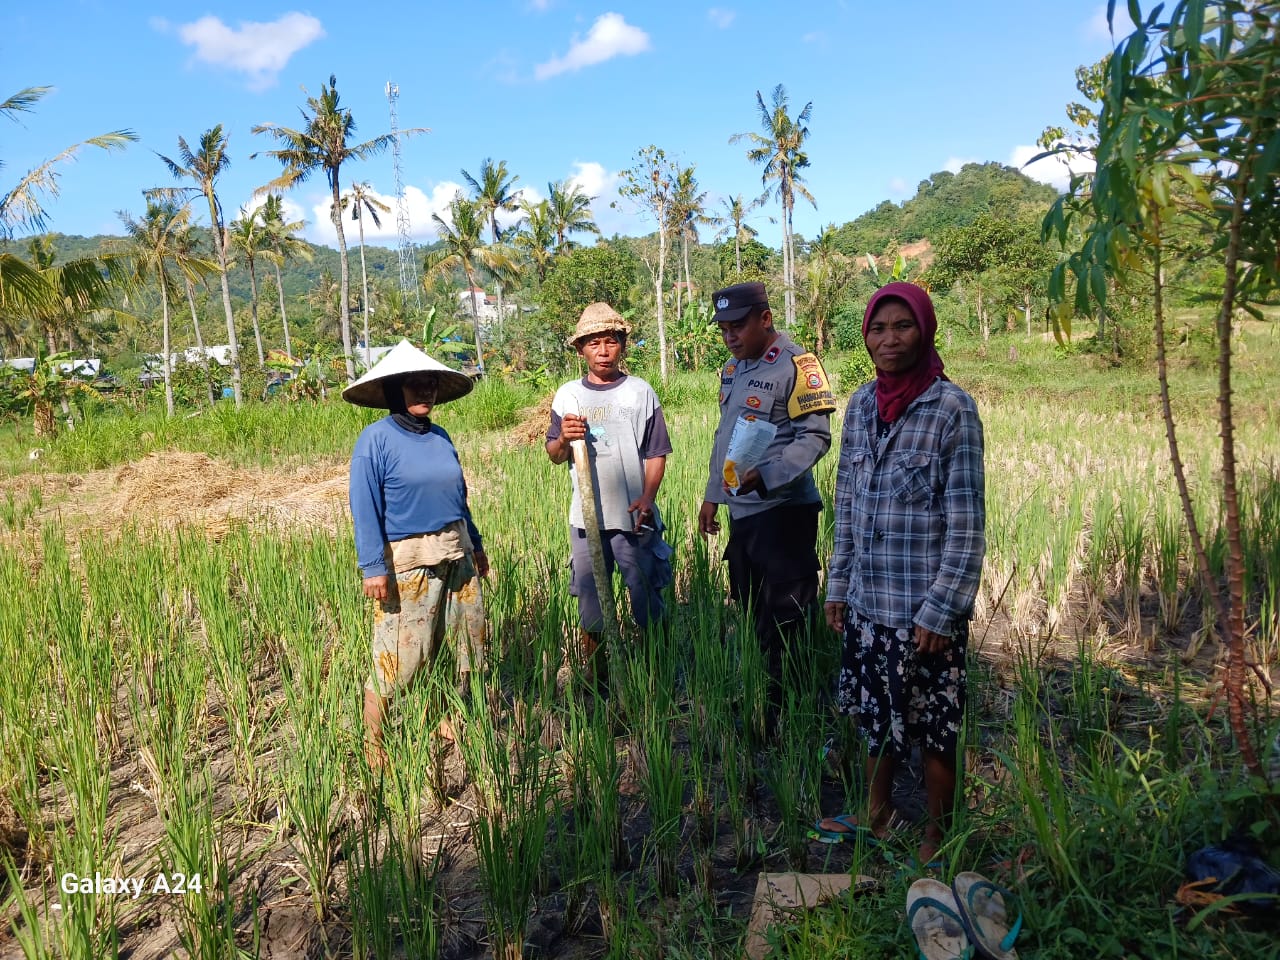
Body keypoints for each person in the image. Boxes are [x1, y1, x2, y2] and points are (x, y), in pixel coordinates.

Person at [815, 282, 985, 867]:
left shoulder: (952, 409)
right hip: (868, 601)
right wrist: (838, 587)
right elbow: (847, 505)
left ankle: (939, 837)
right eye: (877, 328)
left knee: (936, 727)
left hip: (923, 613)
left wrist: (943, 610)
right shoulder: (861, 405)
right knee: (872, 716)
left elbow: (966, 524)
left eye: (902, 327)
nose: (889, 340)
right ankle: (877, 812)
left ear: (925, 330)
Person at [344, 340, 489, 769]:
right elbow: (364, 505)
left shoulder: (441, 437)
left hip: (455, 550)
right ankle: (374, 742)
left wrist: (476, 546)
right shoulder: (375, 441)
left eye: (430, 385)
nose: (424, 392)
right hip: (409, 559)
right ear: (394, 391)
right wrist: (373, 567)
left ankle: (444, 719)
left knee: (460, 642)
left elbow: (460, 498)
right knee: (401, 654)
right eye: (414, 385)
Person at [697, 281, 836, 725]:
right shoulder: (731, 370)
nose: (731, 337)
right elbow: (726, 439)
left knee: (788, 615)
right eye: (724, 329)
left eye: (738, 326)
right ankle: (767, 693)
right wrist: (712, 496)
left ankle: (793, 706)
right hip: (744, 514)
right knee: (753, 606)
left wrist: (770, 476)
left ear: (765, 318)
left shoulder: (798, 364)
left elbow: (815, 437)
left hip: (784, 514)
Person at [546, 303, 673, 692]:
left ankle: (657, 674)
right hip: (587, 520)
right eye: (594, 343)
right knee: (591, 601)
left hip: (634, 515)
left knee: (645, 595)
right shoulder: (568, 397)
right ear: (581, 349)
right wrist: (564, 439)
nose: (603, 351)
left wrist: (648, 497)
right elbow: (553, 454)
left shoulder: (640, 392)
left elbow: (656, 453)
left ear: (622, 346)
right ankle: (597, 676)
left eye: (611, 342)